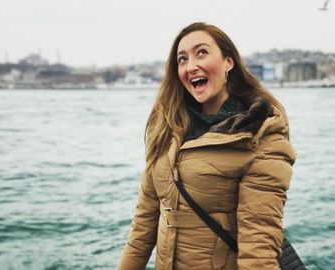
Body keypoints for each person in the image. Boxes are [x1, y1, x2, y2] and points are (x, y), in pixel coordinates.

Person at [118, 22, 296, 270]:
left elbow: (259, 247)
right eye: (182, 59)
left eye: (201, 52)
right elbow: (143, 227)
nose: (191, 66)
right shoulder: (167, 130)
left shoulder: (261, 136)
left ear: (228, 62)